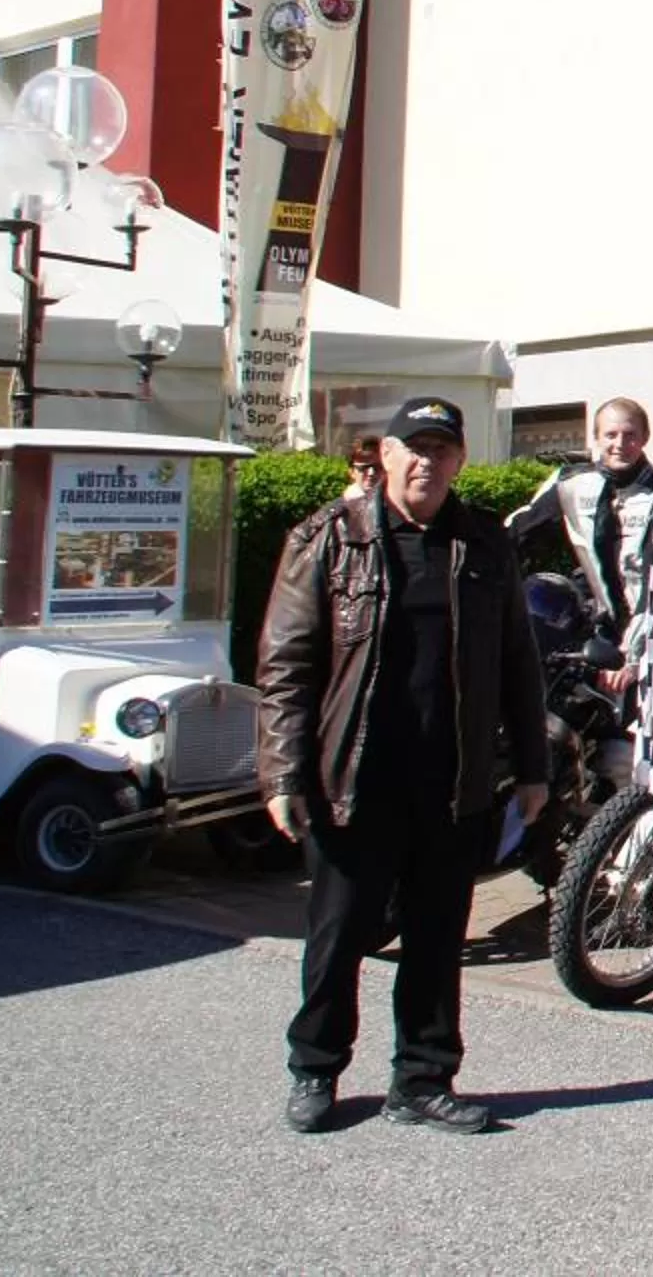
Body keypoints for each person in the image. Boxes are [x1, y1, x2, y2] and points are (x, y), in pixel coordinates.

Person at [256, 397, 546, 1137]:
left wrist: (535, 767)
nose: (427, 462)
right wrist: (284, 773)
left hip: (452, 781)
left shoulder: (483, 544)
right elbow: (286, 666)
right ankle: (315, 1068)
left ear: (460, 462)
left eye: (442, 450)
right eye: (413, 448)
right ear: (383, 455)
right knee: (339, 934)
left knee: (437, 935)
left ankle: (422, 1079)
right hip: (353, 778)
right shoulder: (327, 538)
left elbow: (518, 660)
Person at [504, 397, 653, 682]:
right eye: (611, 434)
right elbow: (515, 532)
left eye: (630, 435)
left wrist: (635, 656)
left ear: (645, 438)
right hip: (599, 628)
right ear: (595, 437)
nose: (620, 443)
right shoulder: (569, 483)